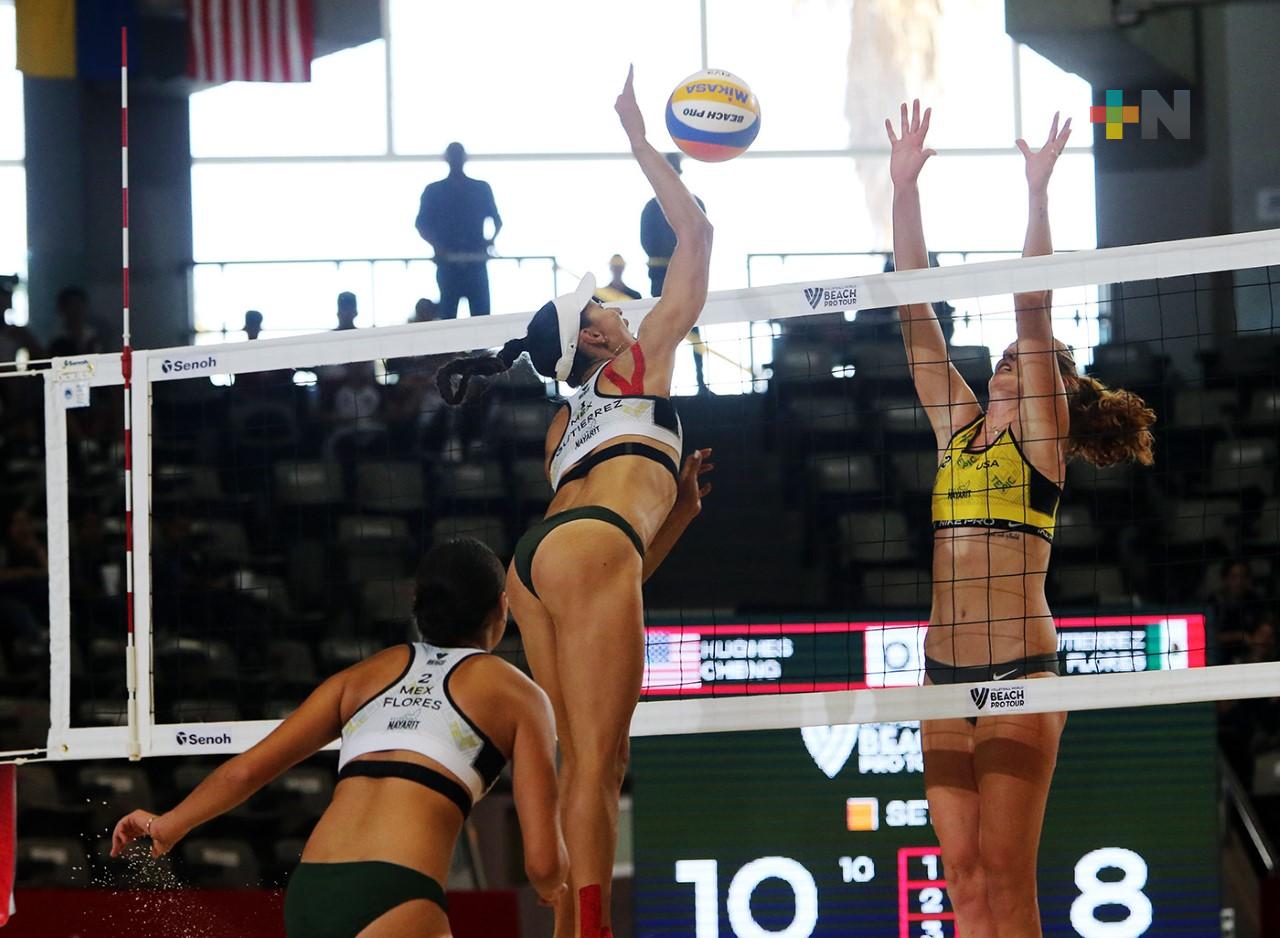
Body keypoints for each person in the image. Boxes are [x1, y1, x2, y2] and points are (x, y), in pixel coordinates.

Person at [435, 68, 713, 938]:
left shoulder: (562, 425)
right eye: (604, 306)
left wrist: (678, 514)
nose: (621, 308)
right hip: (588, 549)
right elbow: (697, 232)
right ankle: (587, 929)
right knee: (599, 763)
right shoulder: (636, 364)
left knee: (584, 759)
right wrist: (640, 141)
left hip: (538, 563)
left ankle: (568, 920)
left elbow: (609, 563)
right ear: (594, 337)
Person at [887, 100, 1155, 937]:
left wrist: (1038, 191)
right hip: (941, 677)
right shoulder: (957, 430)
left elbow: (1031, 309)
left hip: (1020, 674)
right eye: (1003, 359)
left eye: (1027, 363)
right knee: (963, 884)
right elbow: (915, 317)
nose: (1008, 360)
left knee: (1008, 884)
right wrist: (904, 189)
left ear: (1057, 395)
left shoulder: (1041, 445)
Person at [112, 538, 567, 938]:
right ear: (502, 607)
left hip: (312, 891)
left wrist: (169, 824)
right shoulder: (519, 695)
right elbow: (543, 863)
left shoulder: (364, 675)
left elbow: (246, 771)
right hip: (395, 891)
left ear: (417, 603)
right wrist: (555, 887)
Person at [641, 153, 710, 394]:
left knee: (694, 330)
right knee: (660, 333)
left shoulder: (695, 204)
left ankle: (701, 381)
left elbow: (703, 241)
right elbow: (647, 243)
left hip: (690, 277)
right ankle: (658, 386)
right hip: (662, 279)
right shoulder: (652, 207)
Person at [416, 143, 502, 319]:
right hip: (456, 262)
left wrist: (438, 246)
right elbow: (421, 224)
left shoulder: (437, 190)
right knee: (466, 318)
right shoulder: (478, 189)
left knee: (468, 318)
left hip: (466, 262)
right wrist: (438, 246)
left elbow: (421, 224)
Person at [48, 287, 103, 358]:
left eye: (78, 306)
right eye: (71, 306)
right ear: (62, 309)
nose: (75, 311)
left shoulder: (97, 336)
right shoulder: (54, 339)